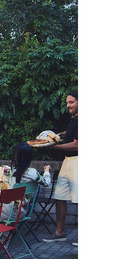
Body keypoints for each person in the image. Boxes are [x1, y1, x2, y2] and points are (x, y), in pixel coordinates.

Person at [43, 90, 78, 244]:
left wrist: (54, 146)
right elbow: (70, 133)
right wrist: (57, 135)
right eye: (67, 103)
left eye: (71, 102)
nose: (68, 105)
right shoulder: (74, 119)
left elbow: (76, 145)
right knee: (59, 196)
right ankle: (60, 232)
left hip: (78, 161)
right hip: (67, 162)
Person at [0, 142, 51, 223]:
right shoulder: (33, 173)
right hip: (21, 213)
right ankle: (5, 233)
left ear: (14, 156)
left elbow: (0, 186)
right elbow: (46, 183)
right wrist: (46, 171)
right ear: (29, 158)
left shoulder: (4, 170)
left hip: (1, 212)